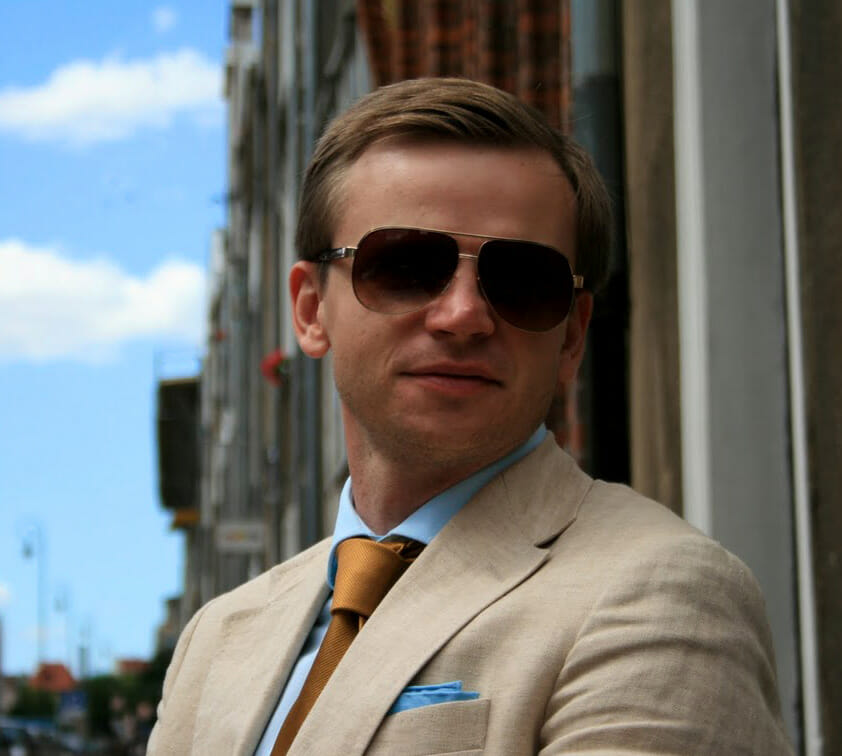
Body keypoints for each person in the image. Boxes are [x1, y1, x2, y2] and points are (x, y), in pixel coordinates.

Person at [148, 78, 792, 755]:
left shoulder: (659, 592)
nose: (462, 316)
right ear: (311, 310)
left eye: (523, 280)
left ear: (572, 336)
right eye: (404, 265)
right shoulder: (219, 638)